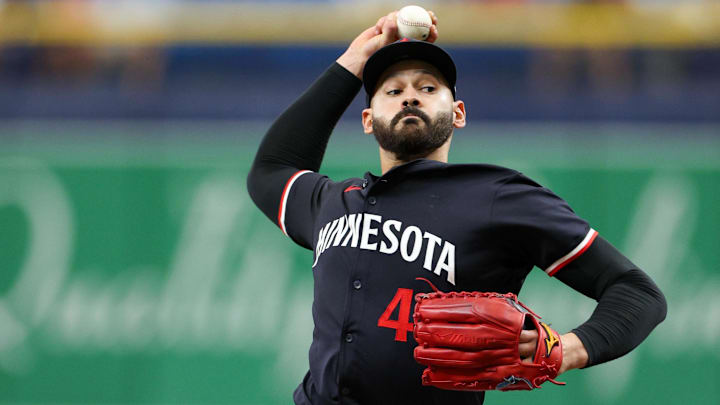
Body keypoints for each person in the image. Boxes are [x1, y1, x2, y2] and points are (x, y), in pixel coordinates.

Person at [247, 10, 666, 405]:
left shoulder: (497, 196)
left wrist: (567, 349)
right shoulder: (334, 202)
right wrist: (354, 59)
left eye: (428, 88)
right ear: (368, 119)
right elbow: (271, 170)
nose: (410, 98)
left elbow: (638, 293)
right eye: (393, 91)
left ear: (459, 113)